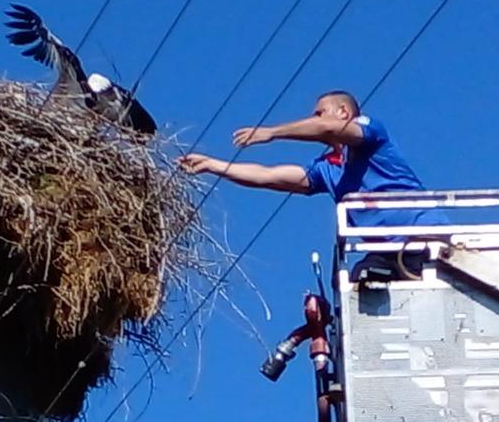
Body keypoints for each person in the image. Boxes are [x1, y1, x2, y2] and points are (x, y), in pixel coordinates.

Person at [178, 90, 445, 283]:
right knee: (360, 283)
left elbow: (327, 128)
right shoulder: (326, 168)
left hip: (424, 240)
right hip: (384, 255)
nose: (314, 119)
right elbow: (268, 176)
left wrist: (271, 132)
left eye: (320, 113)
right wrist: (213, 165)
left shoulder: (370, 130)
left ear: (344, 112)